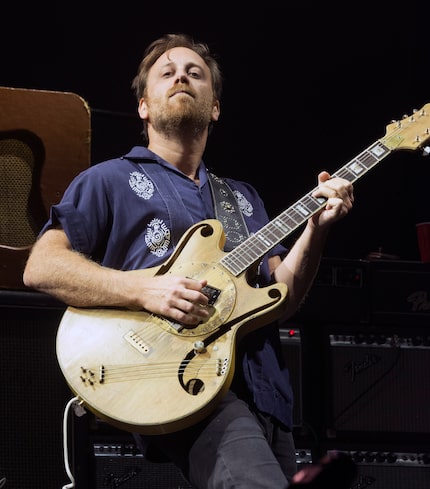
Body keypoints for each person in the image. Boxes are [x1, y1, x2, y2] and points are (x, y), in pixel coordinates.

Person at [23, 33, 355, 488]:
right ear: (144, 106)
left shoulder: (241, 197)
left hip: (267, 394)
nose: (181, 75)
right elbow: (41, 266)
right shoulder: (109, 179)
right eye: (168, 72)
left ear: (214, 107)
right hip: (177, 377)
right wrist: (146, 289)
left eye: (195, 73)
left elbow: (284, 294)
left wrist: (317, 227)